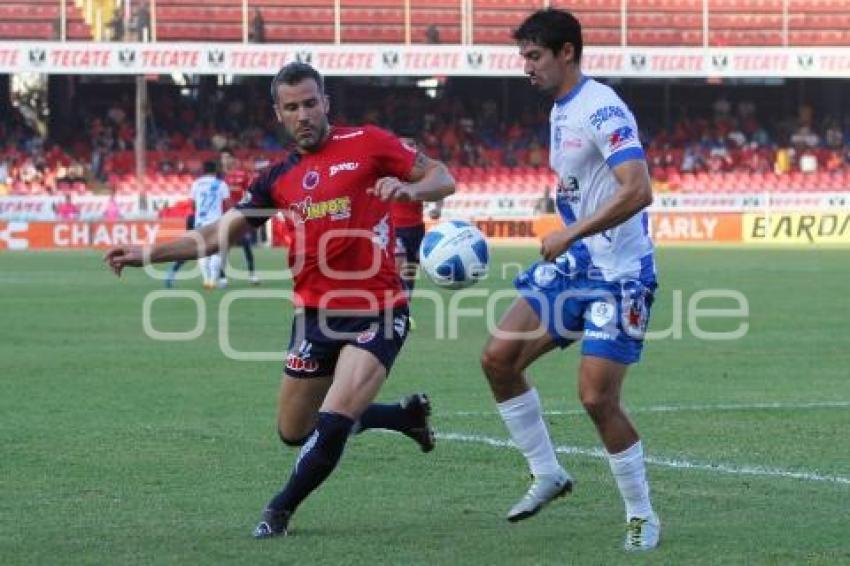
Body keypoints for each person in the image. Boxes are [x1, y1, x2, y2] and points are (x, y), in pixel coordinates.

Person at [103, 62, 455, 539]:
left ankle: (279, 510)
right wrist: (147, 253)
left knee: (331, 423)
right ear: (279, 114)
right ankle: (402, 416)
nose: (304, 114)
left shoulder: (368, 143)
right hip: (313, 316)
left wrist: (409, 187)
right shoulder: (277, 178)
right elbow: (212, 237)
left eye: (311, 103)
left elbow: (442, 177)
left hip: (379, 308)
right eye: (292, 107)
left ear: (325, 102)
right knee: (294, 430)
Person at [478, 9, 660, 551]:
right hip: (577, 265)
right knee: (498, 359)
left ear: (566, 53)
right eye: (523, 57)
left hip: (619, 276)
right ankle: (548, 472)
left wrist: (571, 230)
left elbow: (638, 189)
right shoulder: (561, 109)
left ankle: (642, 515)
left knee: (595, 398)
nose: (525, 67)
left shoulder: (600, 107)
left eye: (534, 56)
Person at [391, 136, 443, 305]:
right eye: (405, 146)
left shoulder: (421, 172)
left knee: (411, 271)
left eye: (412, 147)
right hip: (394, 228)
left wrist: (437, 208)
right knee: (402, 265)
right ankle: (395, 304)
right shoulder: (388, 169)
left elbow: (439, 189)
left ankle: (405, 306)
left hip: (415, 229)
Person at [220, 148, 259, 285]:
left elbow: (250, 193)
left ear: (232, 159)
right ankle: (222, 277)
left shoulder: (241, 175)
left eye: (226, 157)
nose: (224, 160)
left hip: (239, 216)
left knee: (246, 244)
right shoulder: (219, 177)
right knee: (224, 247)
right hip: (224, 217)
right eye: (222, 158)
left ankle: (252, 274)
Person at [191, 161, 230, 289]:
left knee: (202, 252)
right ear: (215, 171)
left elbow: (193, 205)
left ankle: (206, 279)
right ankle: (213, 280)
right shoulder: (221, 184)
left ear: (203, 170)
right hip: (216, 222)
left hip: (200, 222)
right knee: (216, 252)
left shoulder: (196, 184)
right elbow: (227, 205)